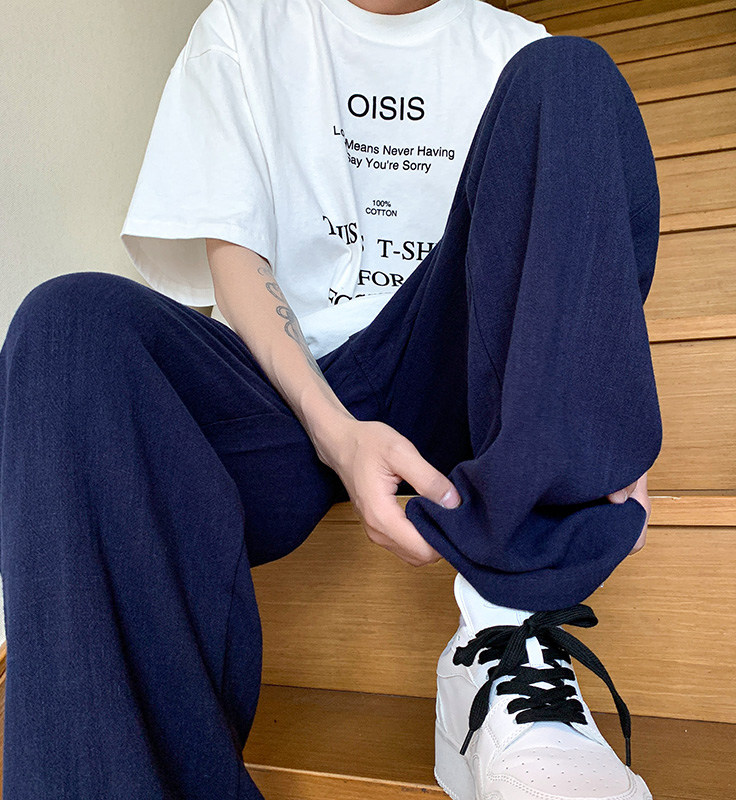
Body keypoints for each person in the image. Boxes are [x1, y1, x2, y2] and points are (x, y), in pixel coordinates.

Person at [0, 0, 662, 798]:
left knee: (572, 75)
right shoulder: (245, 25)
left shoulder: (513, 47)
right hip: (290, 391)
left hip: (447, 371)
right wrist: (336, 431)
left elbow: (560, 270)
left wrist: (593, 408)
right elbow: (234, 254)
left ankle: (506, 631)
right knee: (69, 323)